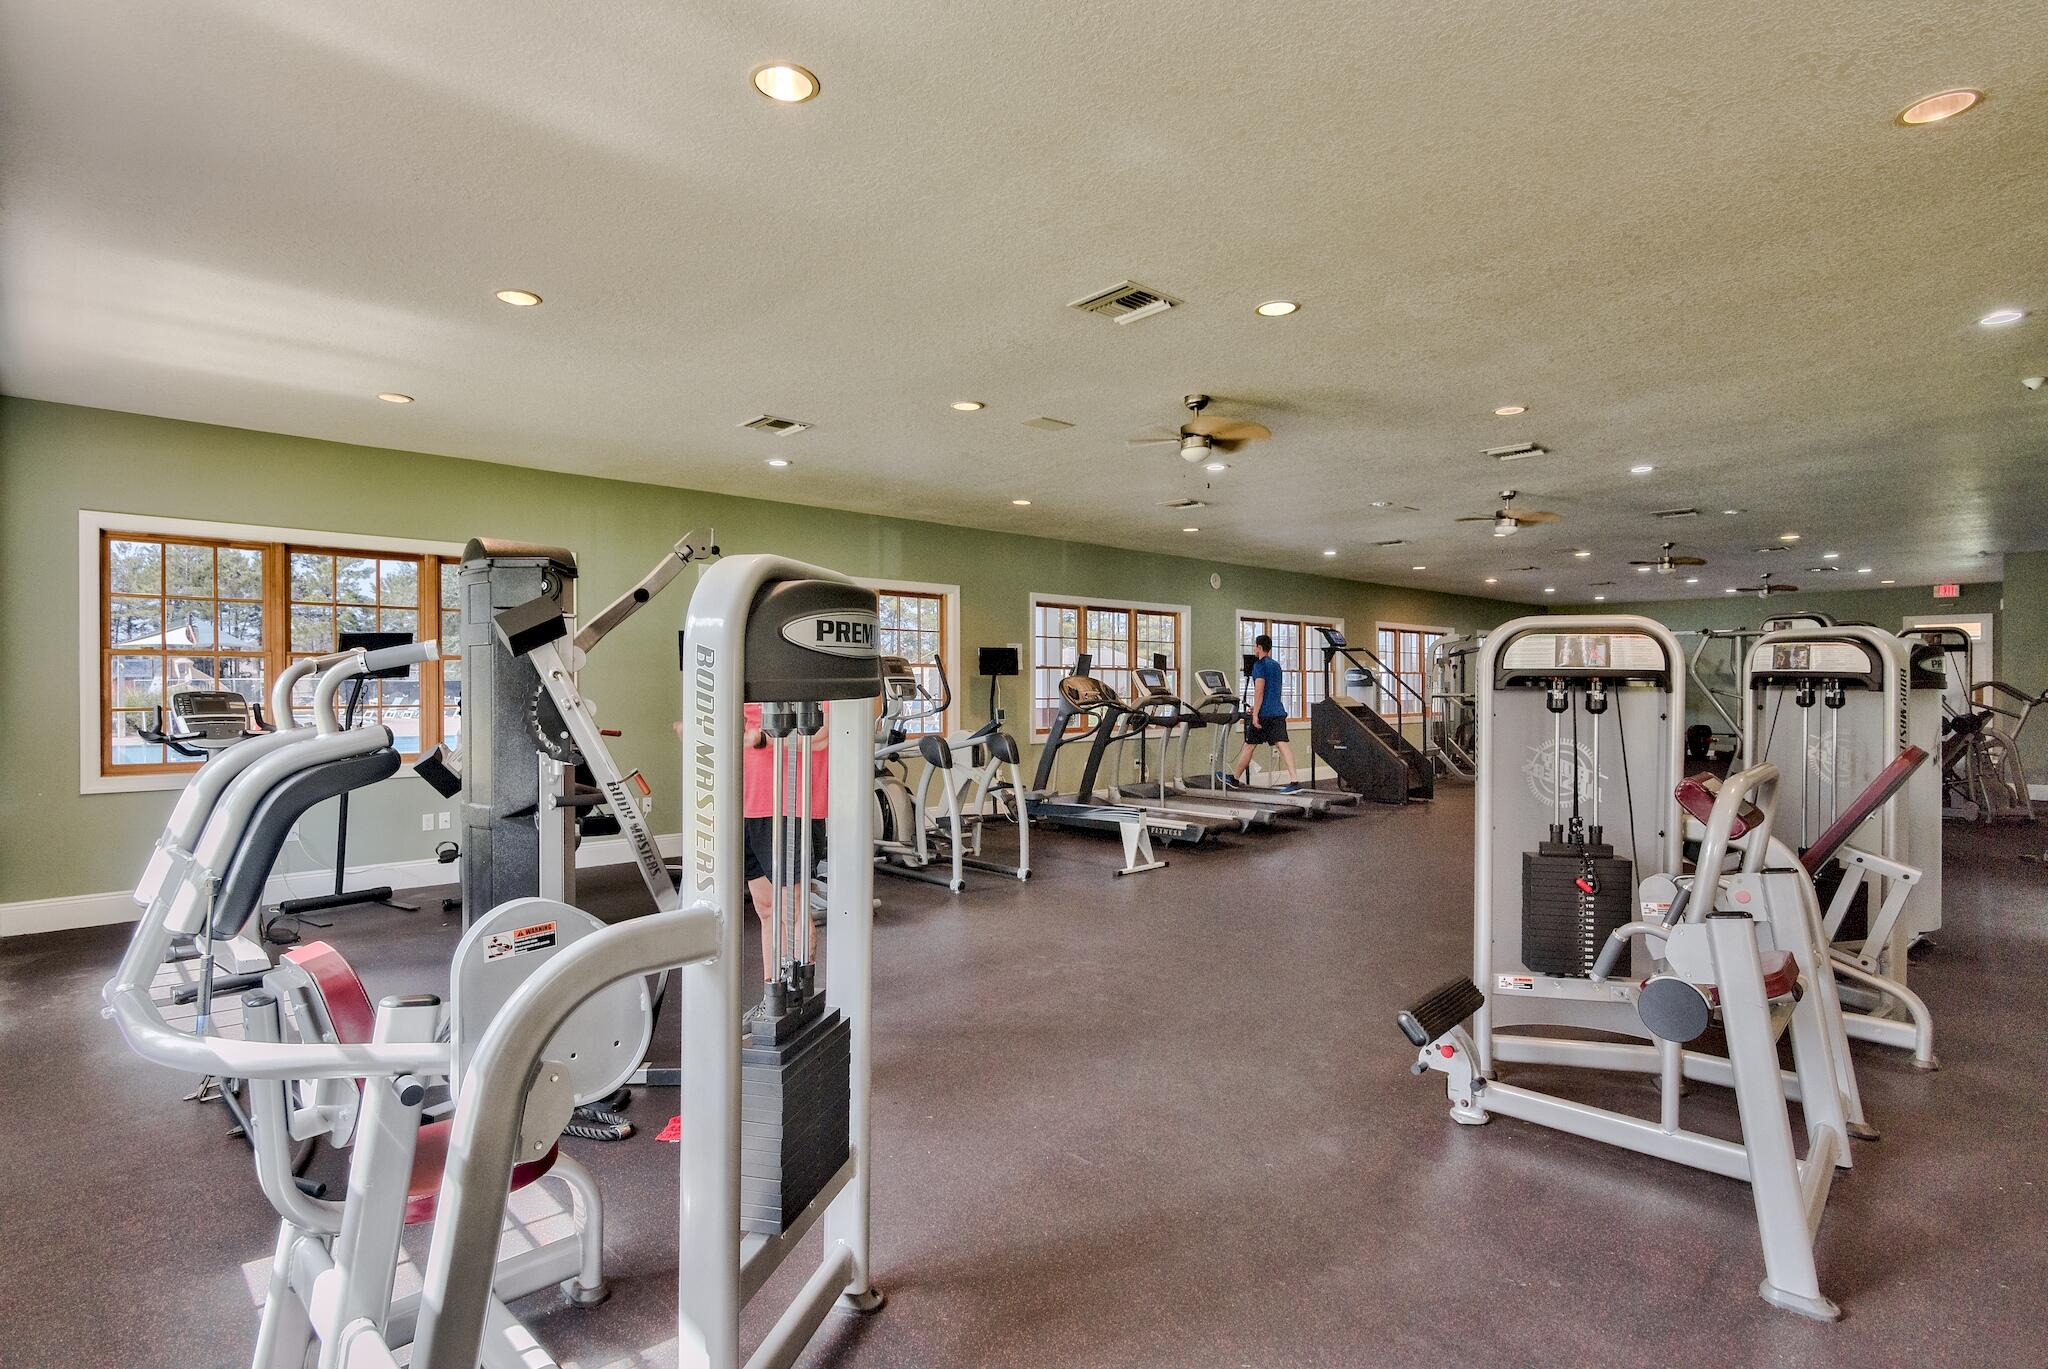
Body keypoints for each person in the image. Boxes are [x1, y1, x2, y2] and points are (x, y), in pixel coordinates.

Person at [1229, 634, 1300, 789]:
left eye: (1255, 646)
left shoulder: (1259, 665)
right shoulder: (1276, 665)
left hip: (1264, 715)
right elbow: (1272, 691)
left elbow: (1259, 691)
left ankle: (1234, 779)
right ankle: (1294, 780)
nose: (1254, 649)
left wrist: (1255, 714)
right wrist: (1258, 707)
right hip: (1277, 711)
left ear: (1259, 647)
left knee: (1249, 746)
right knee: (1282, 744)